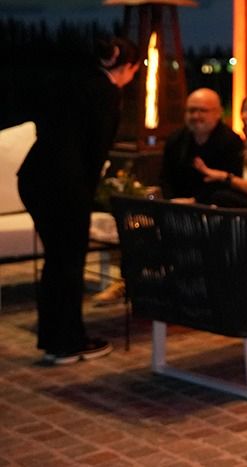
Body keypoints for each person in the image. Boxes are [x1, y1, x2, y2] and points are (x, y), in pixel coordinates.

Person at [18, 36, 140, 365]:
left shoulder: (76, 82)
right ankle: (68, 343)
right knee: (68, 262)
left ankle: (55, 339)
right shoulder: (106, 93)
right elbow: (95, 149)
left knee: (57, 262)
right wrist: (88, 194)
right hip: (63, 186)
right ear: (129, 67)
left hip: (33, 178)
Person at [160, 88, 247, 207]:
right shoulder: (175, 140)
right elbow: (166, 177)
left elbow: (231, 184)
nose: (196, 116)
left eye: (202, 111)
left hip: (217, 210)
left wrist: (196, 201)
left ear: (218, 113)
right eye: (191, 110)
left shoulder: (232, 142)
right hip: (177, 207)